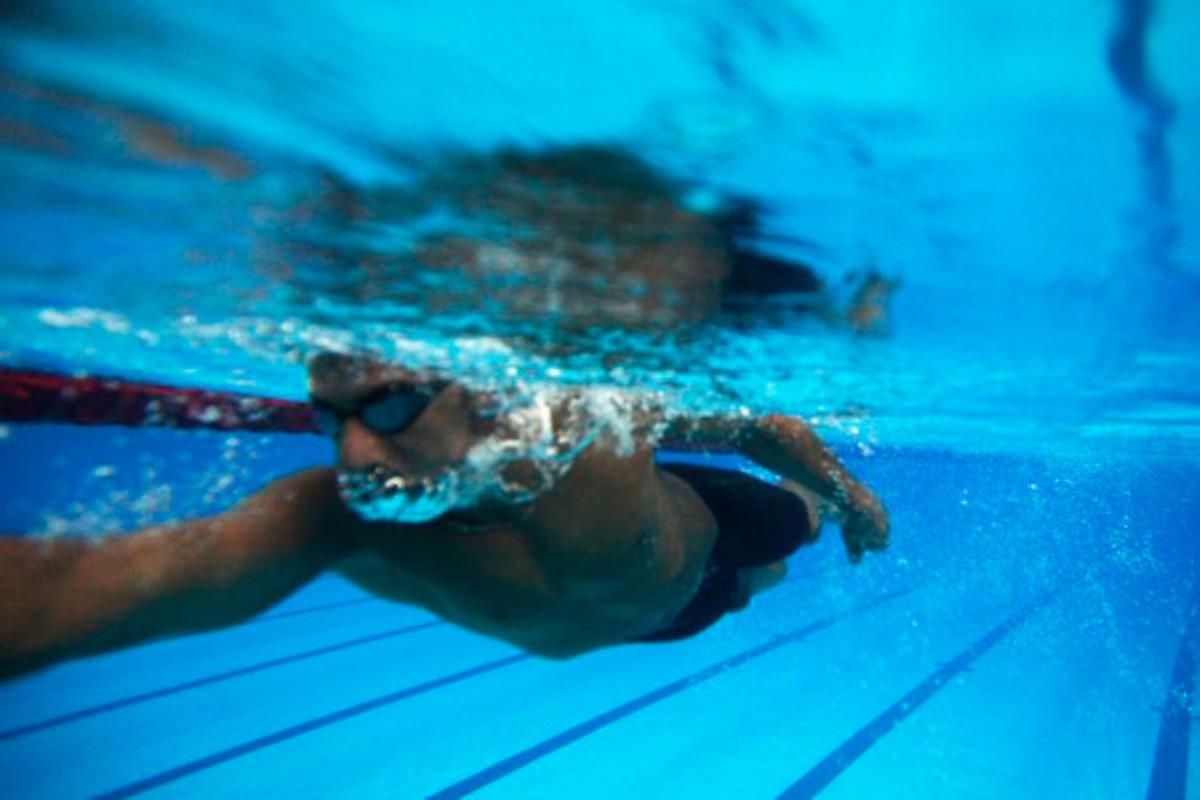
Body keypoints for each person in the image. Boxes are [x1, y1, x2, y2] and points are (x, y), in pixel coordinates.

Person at [0, 353, 888, 680]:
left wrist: (853, 497)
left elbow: (753, 423)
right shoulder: (333, 520)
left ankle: (811, 524)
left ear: (477, 396)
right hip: (658, 618)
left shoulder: (588, 418)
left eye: (388, 411)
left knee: (787, 537)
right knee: (738, 596)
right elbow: (79, 587)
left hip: (711, 520)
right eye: (331, 419)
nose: (353, 458)